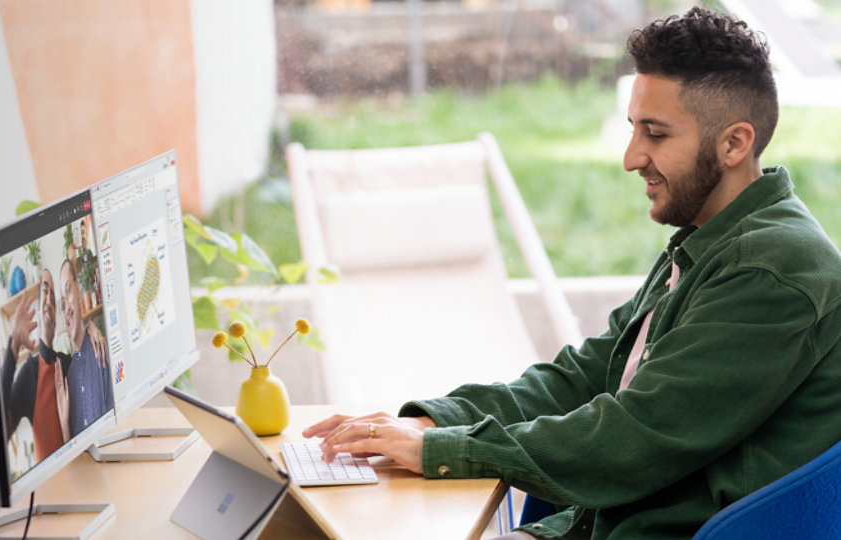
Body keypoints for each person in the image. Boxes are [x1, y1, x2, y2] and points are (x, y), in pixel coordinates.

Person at [303, 7, 841, 539]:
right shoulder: (714, 239)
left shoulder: (772, 269)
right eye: (634, 129)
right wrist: (435, 422)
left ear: (734, 143)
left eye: (655, 134)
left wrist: (442, 450)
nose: (631, 158)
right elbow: (585, 376)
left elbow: (636, 436)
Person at [0, 269, 69, 461]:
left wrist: (93, 329)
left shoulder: (67, 364)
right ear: (39, 310)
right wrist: (14, 344)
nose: (49, 299)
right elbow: (1, 430)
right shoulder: (28, 373)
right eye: (45, 292)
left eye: (53, 298)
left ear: (55, 317)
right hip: (47, 489)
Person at [59, 258, 112, 436]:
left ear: (79, 290)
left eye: (68, 291)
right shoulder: (70, 375)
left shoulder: (100, 348)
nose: (66, 307)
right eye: (62, 303)